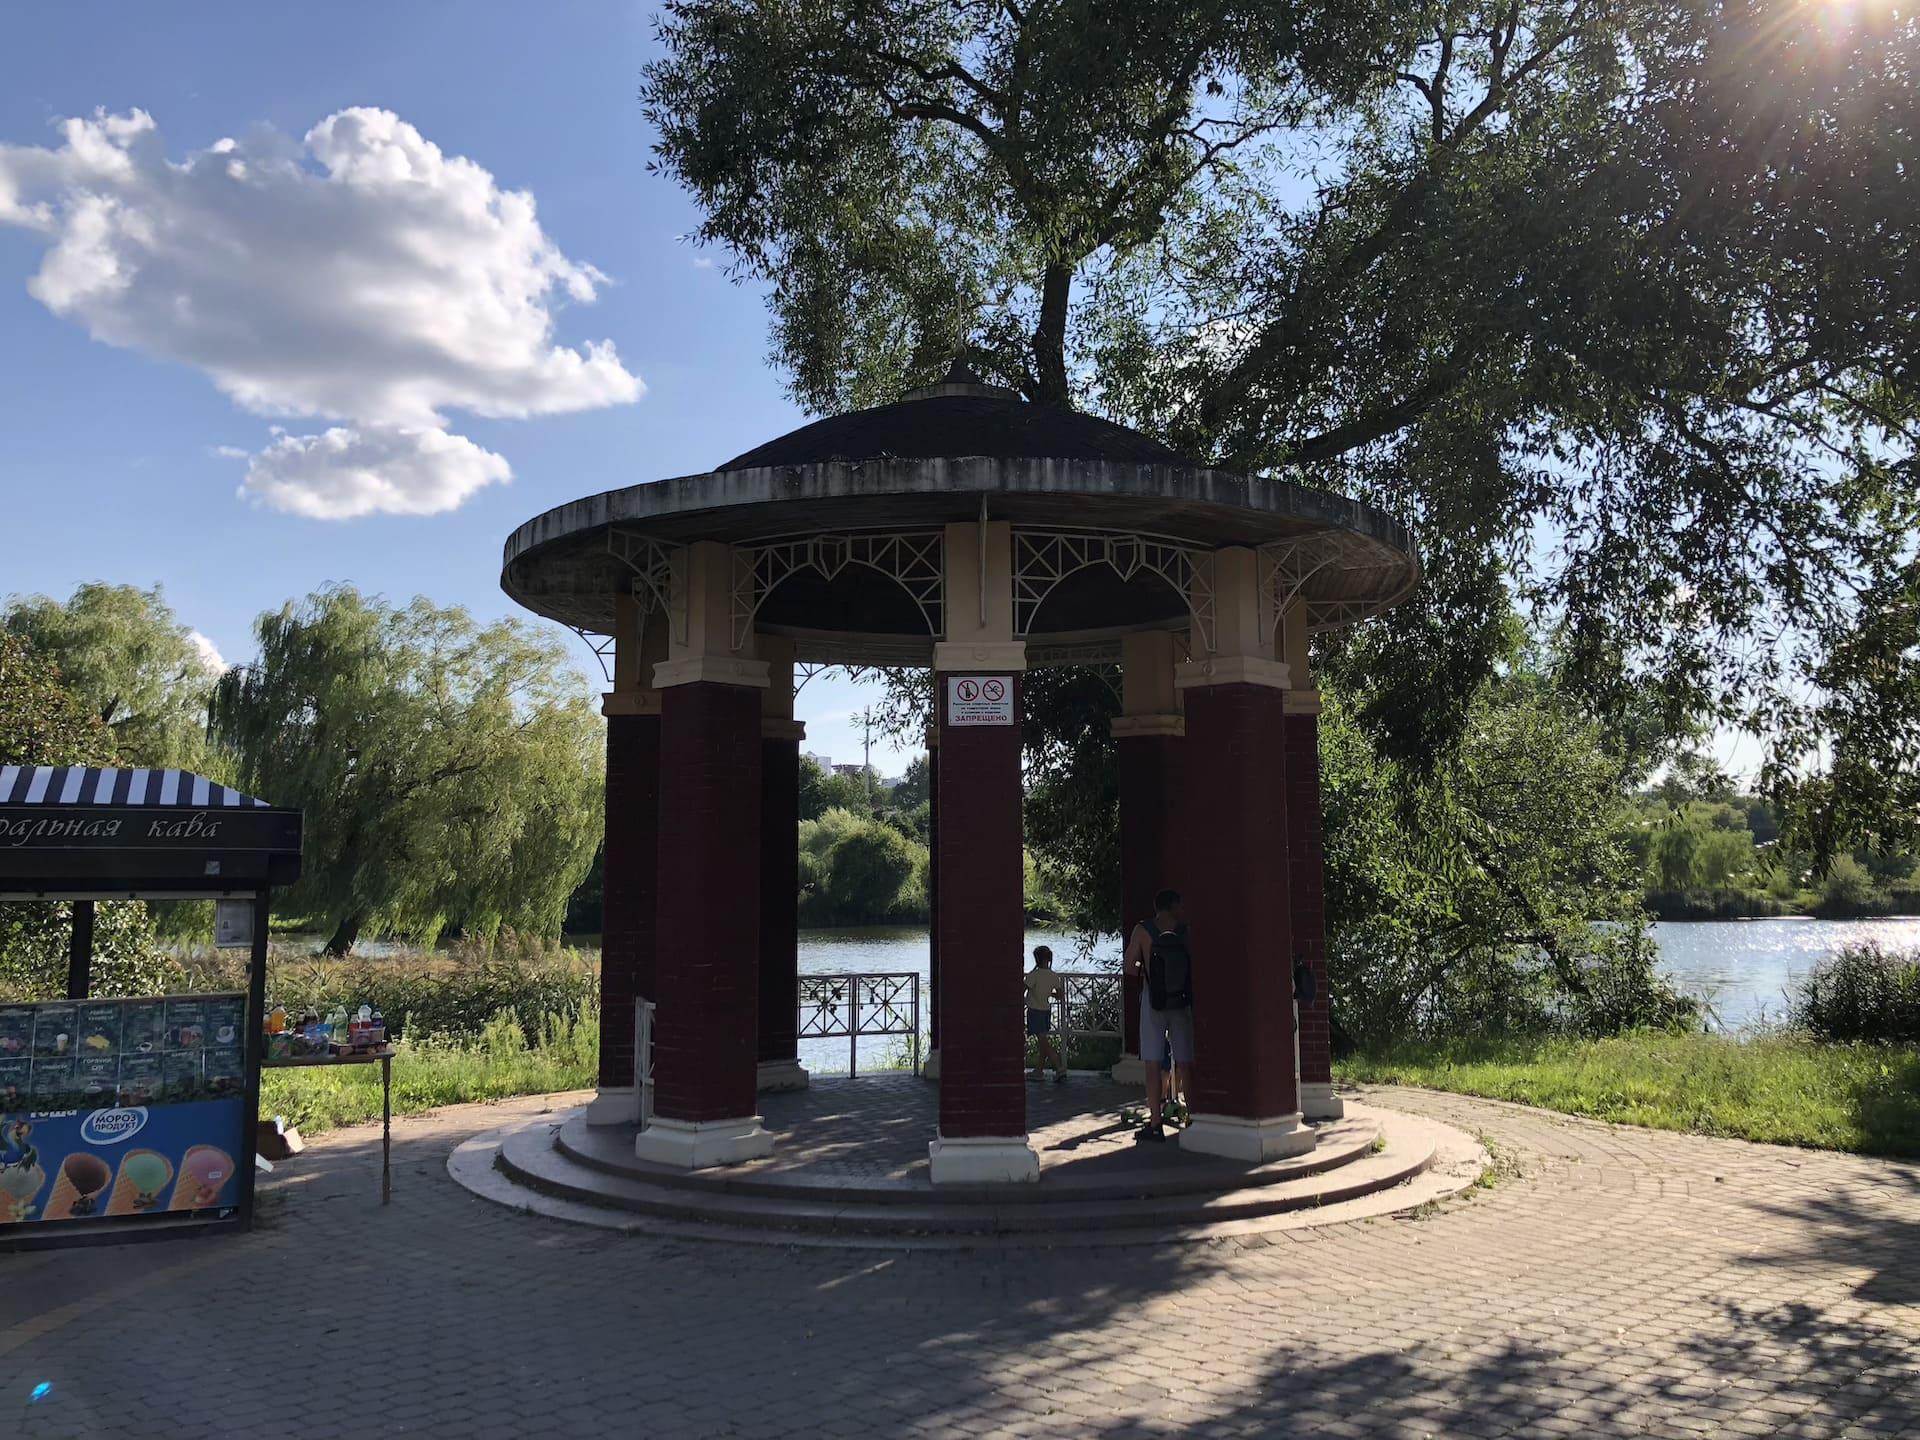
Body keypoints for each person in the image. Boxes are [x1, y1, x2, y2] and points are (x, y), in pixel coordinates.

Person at [1125, 888, 1193, 1141]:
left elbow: (1129, 967)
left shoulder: (1142, 930)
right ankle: (1193, 1117)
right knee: (1185, 1061)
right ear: (1174, 906)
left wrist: (1149, 969)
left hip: (1153, 1001)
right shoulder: (1185, 931)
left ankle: (1155, 1123)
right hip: (1182, 1003)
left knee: (1152, 1062)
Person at [1023, 945, 1068, 1082]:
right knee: (1042, 1040)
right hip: (1046, 1011)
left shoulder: (1034, 975)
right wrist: (1051, 993)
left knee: (1043, 1042)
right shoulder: (1053, 976)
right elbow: (1060, 995)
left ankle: (1058, 1067)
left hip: (1035, 1010)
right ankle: (1039, 1070)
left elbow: (1024, 989)